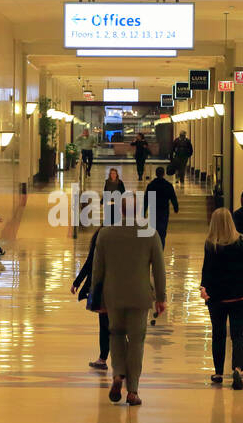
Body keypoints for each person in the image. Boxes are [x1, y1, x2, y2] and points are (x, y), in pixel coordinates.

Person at [90, 194, 167, 406]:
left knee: (115, 334)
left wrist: (96, 296)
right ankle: (132, 391)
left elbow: (98, 269)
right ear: (140, 210)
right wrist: (161, 297)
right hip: (140, 296)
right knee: (136, 341)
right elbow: (159, 270)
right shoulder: (150, 234)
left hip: (113, 295)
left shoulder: (105, 234)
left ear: (121, 211)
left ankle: (118, 375)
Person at [200, 208, 243, 390]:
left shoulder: (210, 244)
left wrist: (204, 288)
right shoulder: (240, 241)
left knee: (218, 334)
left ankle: (218, 372)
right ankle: (237, 369)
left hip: (217, 298)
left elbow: (206, 271)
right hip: (240, 297)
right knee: (238, 335)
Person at [72, 228, 109, 370]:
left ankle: (102, 358)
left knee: (105, 324)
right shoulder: (128, 234)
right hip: (122, 287)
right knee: (119, 326)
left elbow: (90, 263)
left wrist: (78, 282)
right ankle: (123, 362)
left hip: (104, 288)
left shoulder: (101, 235)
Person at [144, 167, 179, 249]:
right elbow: (173, 197)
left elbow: (146, 199)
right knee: (162, 232)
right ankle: (160, 249)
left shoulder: (151, 185)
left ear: (156, 174)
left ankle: (153, 248)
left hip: (153, 211)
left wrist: (143, 211)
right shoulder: (168, 185)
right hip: (164, 211)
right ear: (164, 174)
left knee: (153, 231)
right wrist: (176, 207)